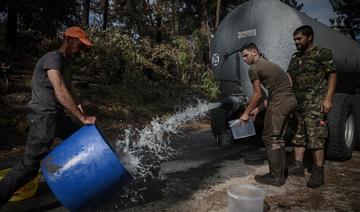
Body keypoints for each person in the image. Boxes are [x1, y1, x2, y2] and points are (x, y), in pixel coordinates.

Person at [0, 26, 96, 207]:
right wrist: (82, 119)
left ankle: (81, 182)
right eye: (80, 45)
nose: (82, 50)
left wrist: (83, 116)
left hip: (57, 117)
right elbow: (59, 90)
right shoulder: (52, 58)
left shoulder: (67, 64)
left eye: (85, 47)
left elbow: (71, 93)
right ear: (68, 40)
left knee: (84, 140)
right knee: (29, 167)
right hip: (44, 117)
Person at [239, 43, 297, 186]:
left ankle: (275, 177)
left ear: (255, 52)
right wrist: (258, 109)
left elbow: (257, 94)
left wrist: (245, 113)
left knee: (270, 137)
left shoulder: (254, 68)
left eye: (246, 55)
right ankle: (281, 174)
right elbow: (274, 93)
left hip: (280, 102)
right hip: (289, 100)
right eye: (242, 57)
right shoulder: (269, 64)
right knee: (278, 138)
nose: (244, 59)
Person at [287, 25, 337, 188]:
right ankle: (298, 165)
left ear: (310, 37)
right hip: (298, 104)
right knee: (298, 135)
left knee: (316, 138)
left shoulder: (322, 53)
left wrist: (328, 99)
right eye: (294, 39)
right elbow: (290, 79)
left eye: (299, 38)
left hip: (315, 103)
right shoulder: (295, 57)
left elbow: (332, 76)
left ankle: (318, 170)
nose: (296, 42)